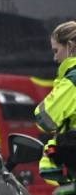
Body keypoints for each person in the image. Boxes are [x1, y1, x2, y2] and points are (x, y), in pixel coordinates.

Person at [36, 21, 76, 184]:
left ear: (70, 46)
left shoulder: (72, 81)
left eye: (56, 50)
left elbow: (44, 118)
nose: (55, 58)